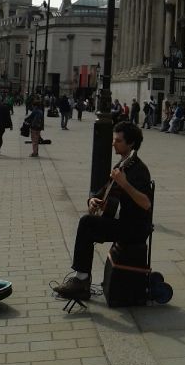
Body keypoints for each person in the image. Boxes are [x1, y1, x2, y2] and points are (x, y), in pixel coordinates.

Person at [53, 121, 152, 301]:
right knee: (88, 225)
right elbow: (103, 191)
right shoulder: (122, 164)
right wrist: (92, 200)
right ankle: (81, 279)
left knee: (87, 223)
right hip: (123, 221)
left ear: (130, 143)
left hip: (134, 227)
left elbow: (146, 203)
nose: (113, 143)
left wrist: (125, 183)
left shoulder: (138, 169)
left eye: (118, 140)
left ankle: (81, 281)